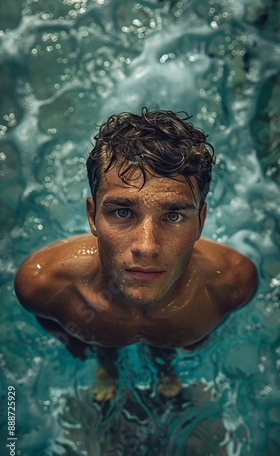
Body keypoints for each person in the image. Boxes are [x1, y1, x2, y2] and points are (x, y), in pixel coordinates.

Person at [14, 108, 258, 399]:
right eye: (122, 211)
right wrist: (75, 344)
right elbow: (50, 321)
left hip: (171, 332)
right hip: (102, 336)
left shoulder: (232, 282)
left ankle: (165, 362)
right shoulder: (44, 284)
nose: (146, 246)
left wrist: (197, 336)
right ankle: (107, 364)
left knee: (165, 346)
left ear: (201, 222)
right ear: (92, 217)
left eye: (174, 216)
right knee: (104, 344)